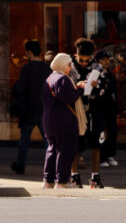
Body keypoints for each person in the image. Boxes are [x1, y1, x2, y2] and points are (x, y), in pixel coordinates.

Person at [71, 38, 112, 189]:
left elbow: (103, 89)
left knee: (95, 144)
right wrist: (78, 85)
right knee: (74, 144)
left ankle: (95, 176)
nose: (82, 63)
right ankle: (74, 176)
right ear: (76, 55)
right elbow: (67, 85)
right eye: (80, 60)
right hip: (76, 109)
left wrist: (94, 87)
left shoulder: (97, 68)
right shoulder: (71, 65)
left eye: (85, 60)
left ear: (91, 57)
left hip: (94, 110)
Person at [10, 39, 51, 176]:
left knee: (24, 140)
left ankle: (20, 165)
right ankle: (51, 166)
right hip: (44, 109)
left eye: (26, 52)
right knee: (48, 141)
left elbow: (21, 88)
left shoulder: (26, 69)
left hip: (28, 110)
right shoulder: (47, 68)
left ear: (29, 52)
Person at [41, 51, 82, 191]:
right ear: (64, 65)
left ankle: (48, 181)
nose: (71, 67)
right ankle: (62, 181)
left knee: (52, 149)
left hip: (48, 120)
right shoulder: (62, 79)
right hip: (63, 121)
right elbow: (68, 97)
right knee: (66, 150)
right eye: (69, 64)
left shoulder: (49, 78)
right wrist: (81, 89)